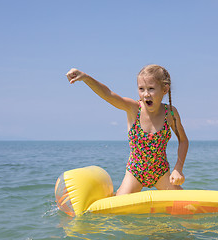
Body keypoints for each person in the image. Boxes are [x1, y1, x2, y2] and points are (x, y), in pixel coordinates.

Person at [66, 64, 189, 196]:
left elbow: (183, 141)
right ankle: (114, 193)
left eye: (151, 89)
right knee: (117, 210)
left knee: (188, 208)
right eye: (141, 89)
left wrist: (178, 168)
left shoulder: (170, 113)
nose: (146, 94)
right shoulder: (133, 109)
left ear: (165, 89)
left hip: (161, 172)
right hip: (135, 173)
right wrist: (85, 78)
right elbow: (108, 94)